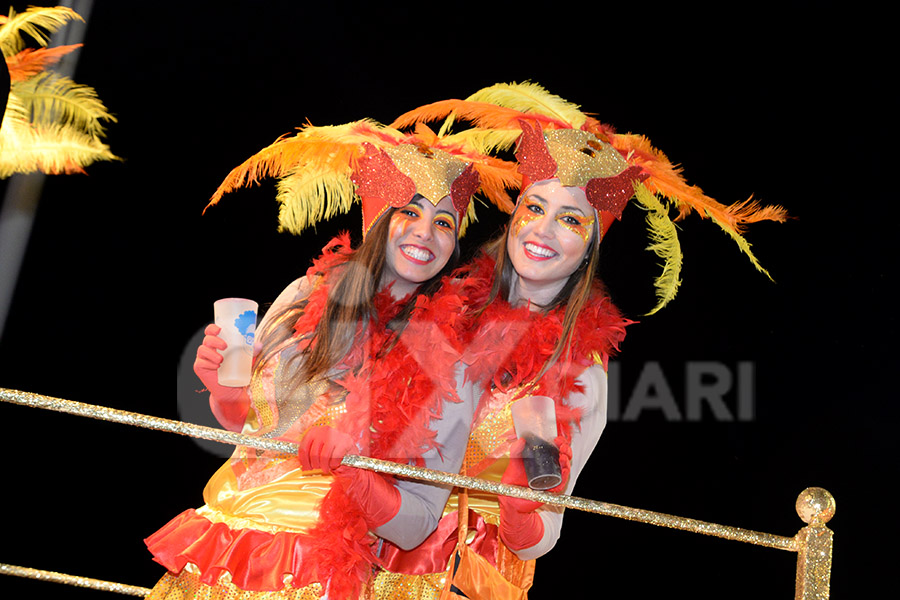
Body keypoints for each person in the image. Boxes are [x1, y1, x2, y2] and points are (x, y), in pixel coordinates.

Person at [367, 83, 788, 599]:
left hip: (469, 577)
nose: (543, 231)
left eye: (570, 220)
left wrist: (520, 504)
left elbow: (543, 538)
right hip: (372, 552)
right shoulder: (443, 308)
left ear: (590, 244)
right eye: (535, 208)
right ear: (515, 213)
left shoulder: (582, 371)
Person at [144, 120, 517, 600]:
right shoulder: (304, 294)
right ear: (377, 214)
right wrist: (227, 395)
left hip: (324, 572)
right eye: (409, 211)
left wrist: (354, 470)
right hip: (230, 547)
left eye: (444, 222)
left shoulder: (452, 354)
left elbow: (417, 526)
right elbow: (249, 438)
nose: (426, 232)